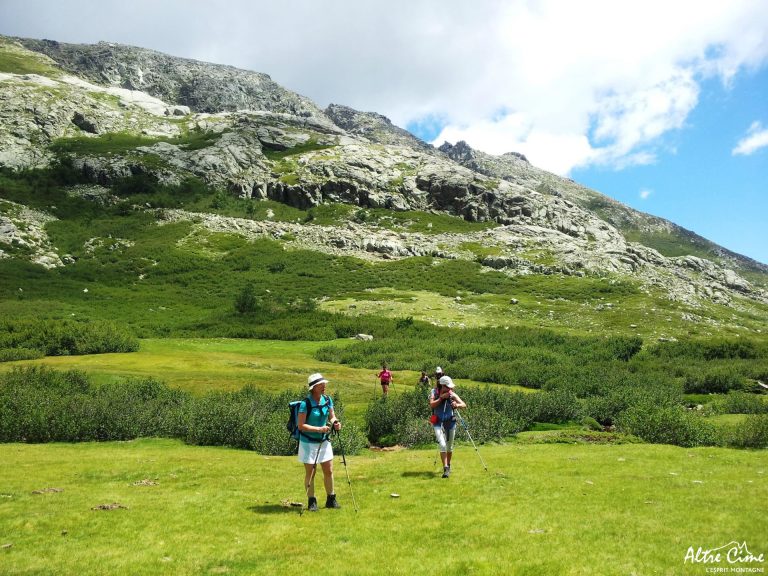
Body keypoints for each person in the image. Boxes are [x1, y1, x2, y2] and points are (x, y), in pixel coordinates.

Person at [298, 372, 342, 511]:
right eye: (320, 385)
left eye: (324, 384)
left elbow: (332, 416)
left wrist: (336, 423)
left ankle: (331, 499)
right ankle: (312, 501)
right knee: (311, 472)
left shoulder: (327, 400)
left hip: (324, 441)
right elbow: (301, 426)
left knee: (328, 470)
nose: (324, 386)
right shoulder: (305, 404)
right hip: (308, 442)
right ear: (313, 388)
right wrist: (318, 429)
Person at [428, 375, 466, 478]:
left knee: (449, 447)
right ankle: (445, 468)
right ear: (442, 385)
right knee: (443, 444)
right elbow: (432, 404)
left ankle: (448, 465)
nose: (450, 389)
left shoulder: (451, 394)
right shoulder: (434, 392)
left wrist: (457, 405)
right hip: (437, 423)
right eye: (448, 387)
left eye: (450, 387)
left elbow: (464, 404)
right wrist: (441, 398)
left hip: (450, 422)